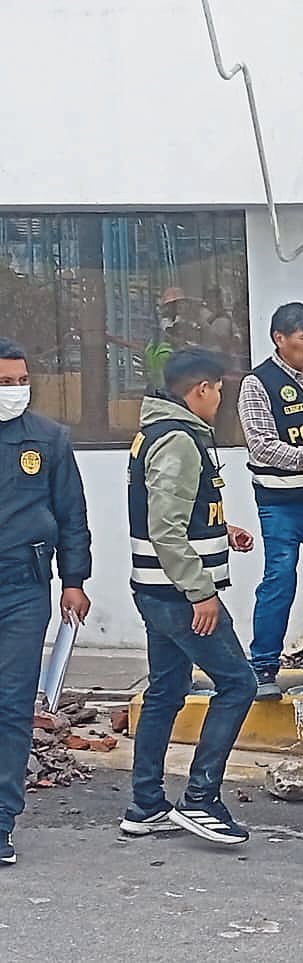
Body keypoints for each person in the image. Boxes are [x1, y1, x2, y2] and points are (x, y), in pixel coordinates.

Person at [120, 349, 257, 845]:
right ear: (201, 389)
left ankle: (146, 804)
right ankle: (200, 798)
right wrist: (202, 594)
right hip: (180, 599)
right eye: (219, 390)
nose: (221, 399)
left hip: (158, 593)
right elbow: (165, 531)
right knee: (239, 684)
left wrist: (224, 531)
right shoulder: (179, 440)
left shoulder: (158, 433)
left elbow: (176, 514)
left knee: (164, 693)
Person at [0, 337, 92, 867]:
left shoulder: (49, 439)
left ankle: (1, 821)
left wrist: (74, 579)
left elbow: (72, 513)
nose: (15, 391)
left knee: (12, 706)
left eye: (21, 381)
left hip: (22, 588)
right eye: (5, 382)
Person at [237, 302, 303, 699]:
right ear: (279, 339)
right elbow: (263, 447)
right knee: (279, 579)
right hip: (281, 503)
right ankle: (264, 667)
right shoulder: (257, 383)